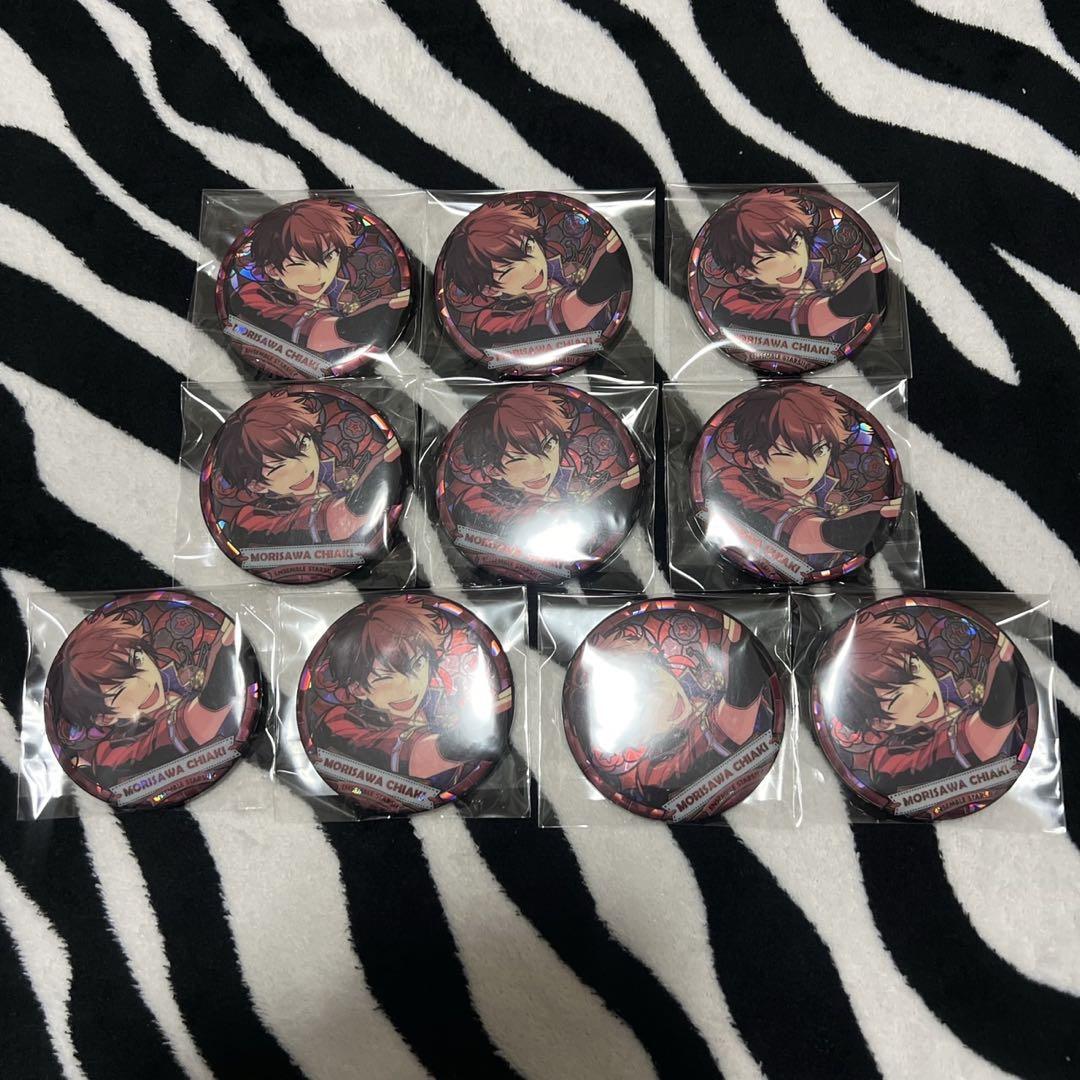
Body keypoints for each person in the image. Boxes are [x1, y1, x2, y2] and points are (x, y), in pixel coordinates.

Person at [825, 611, 1026, 794]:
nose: (923, 691)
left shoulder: (958, 693)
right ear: (880, 723)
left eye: (914, 667)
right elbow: (980, 740)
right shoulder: (889, 762)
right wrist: (1004, 670)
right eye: (896, 697)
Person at [312, 596, 503, 784]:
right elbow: (414, 756)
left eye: (418, 664)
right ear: (357, 688)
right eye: (385, 677)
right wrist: (470, 739)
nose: (409, 688)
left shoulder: (440, 704)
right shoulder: (337, 723)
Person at [705, 383, 900, 563]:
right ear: (757, 457)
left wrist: (871, 515)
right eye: (785, 454)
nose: (807, 469)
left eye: (820, 450)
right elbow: (801, 533)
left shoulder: (828, 487)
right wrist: (867, 523)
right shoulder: (729, 482)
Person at [582, 617, 766, 802]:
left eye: (651, 676)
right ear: (633, 739)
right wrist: (738, 648)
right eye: (643, 709)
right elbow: (730, 730)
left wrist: (733, 643)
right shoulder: (655, 771)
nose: (667, 698)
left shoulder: (696, 677)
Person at [51, 607, 237, 786]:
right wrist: (226, 654)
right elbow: (194, 724)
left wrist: (224, 642)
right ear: (104, 717)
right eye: (119, 690)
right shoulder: (110, 754)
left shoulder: (175, 684)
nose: (145, 684)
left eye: (137, 659)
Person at [212, 389, 398, 549]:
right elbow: (332, 522)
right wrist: (371, 483)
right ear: (256, 485)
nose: (303, 467)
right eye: (279, 465)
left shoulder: (338, 478)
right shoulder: (250, 520)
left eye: (303, 445)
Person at [233, 198, 409, 356]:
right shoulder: (250, 295)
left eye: (329, 256)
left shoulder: (342, 288)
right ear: (272, 270)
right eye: (299, 263)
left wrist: (387, 305)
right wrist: (370, 319)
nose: (319, 275)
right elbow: (309, 332)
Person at [702, 188, 885, 339]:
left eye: (794, 243)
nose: (791, 263)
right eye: (768, 257)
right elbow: (804, 319)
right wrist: (853, 298)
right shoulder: (733, 303)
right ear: (744, 271)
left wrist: (866, 279)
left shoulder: (825, 278)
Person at [441, 199, 626, 349]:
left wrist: (607, 252)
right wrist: (606, 271)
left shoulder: (567, 273)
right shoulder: (488, 323)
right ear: (489, 290)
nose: (532, 268)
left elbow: (602, 262)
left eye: (529, 247)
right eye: (508, 270)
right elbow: (566, 315)